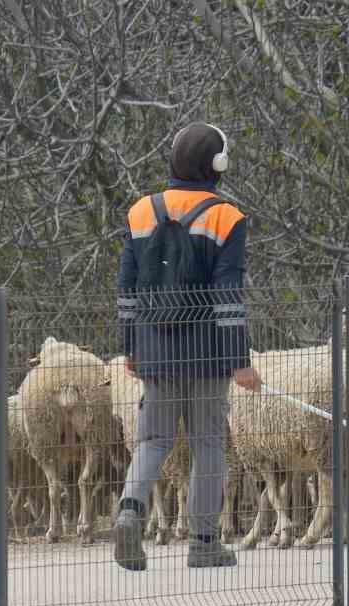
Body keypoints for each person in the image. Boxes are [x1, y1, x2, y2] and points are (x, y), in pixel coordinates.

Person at [113, 121, 261, 571]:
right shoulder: (226, 216)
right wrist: (240, 361)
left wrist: (130, 348)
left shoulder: (140, 211)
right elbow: (227, 294)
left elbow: (127, 288)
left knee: (153, 439)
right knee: (208, 443)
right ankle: (203, 543)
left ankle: (129, 512)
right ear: (217, 164)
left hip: (155, 347)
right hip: (210, 351)